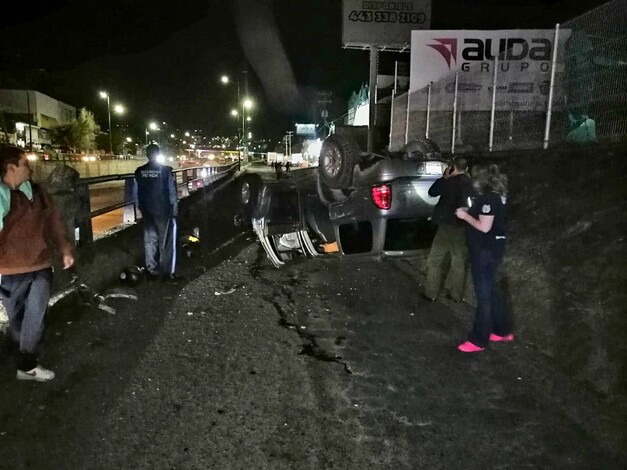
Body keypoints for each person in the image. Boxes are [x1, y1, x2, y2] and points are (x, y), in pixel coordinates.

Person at [0, 145, 75, 381]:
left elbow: (54, 220)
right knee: (18, 320)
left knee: (36, 315)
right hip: (9, 270)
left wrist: (64, 248)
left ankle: (27, 364)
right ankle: (24, 362)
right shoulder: (2, 197)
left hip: (40, 264)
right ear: (11, 168)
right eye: (25, 164)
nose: (30, 168)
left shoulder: (37, 192)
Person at [455, 163, 513, 353]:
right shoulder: (499, 196)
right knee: (492, 291)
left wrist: (465, 216)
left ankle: (478, 339)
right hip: (494, 248)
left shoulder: (488, 199)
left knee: (484, 296)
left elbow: (484, 227)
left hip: (484, 251)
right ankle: (502, 330)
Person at [423, 156, 472, 302]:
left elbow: (432, 192)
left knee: (435, 259)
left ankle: (431, 293)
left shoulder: (449, 182)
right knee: (459, 260)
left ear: (452, 167)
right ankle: (456, 295)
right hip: (462, 225)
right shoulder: (470, 183)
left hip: (446, 225)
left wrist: (444, 178)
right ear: (467, 169)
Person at [134, 143, 178, 281]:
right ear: (158, 154)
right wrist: (175, 209)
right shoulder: (165, 171)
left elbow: (135, 193)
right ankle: (166, 272)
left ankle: (151, 269)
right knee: (166, 242)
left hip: (147, 211)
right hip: (163, 211)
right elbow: (172, 192)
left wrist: (139, 208)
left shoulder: (139, 171)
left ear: (146, 155)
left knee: (150, 241)